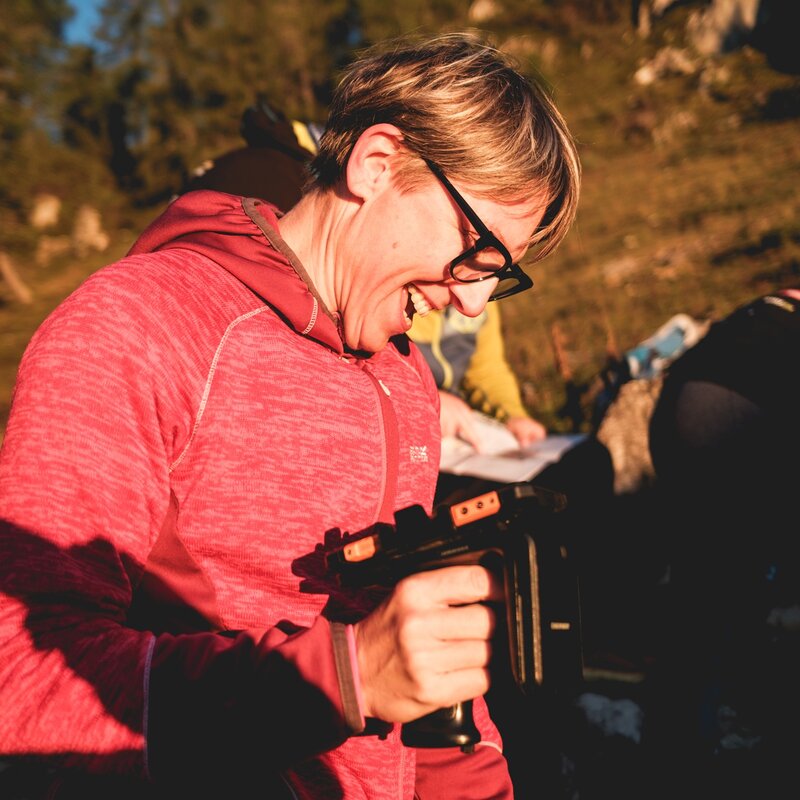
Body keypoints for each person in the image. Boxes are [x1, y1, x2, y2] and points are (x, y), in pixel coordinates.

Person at [0, 31, 580, 800]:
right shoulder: (135, 326)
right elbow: (20, 688)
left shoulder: (404, 376)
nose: (472, 301)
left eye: (500, 276)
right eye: (477, 252)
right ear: (376, 164)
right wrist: (342, 680)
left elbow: (423, 673)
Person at [408, 304, 547, 450]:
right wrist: (425, 400)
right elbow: (381, 367)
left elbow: (487, 370)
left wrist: (512, 416)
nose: (475, 299)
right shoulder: (396, 298)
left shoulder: (483, 291)